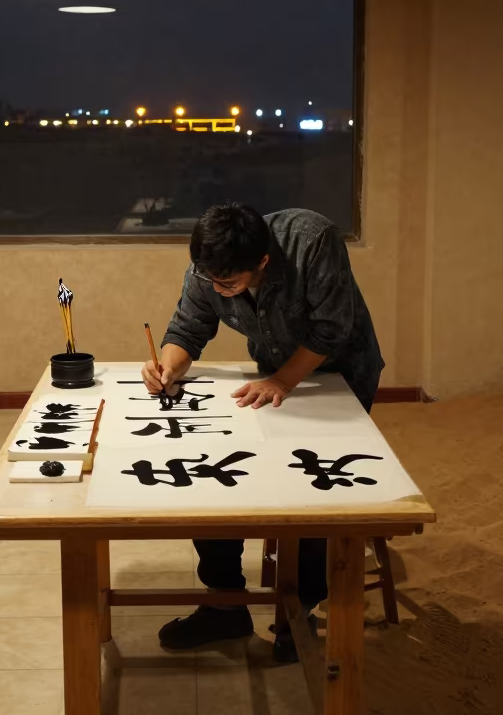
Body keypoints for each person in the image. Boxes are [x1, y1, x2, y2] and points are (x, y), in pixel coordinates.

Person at [141, 203, 383, 660]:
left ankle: (300, 610)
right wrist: (166, 367)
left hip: (340, 374)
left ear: (264, 262)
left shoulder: (311, 241)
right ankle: (225, 604)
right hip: (273, 374)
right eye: (211, 279)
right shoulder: (211, 265)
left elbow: (332, 329)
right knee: (216, 474)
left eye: (229, 284)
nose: (218, 288)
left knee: (309, 490)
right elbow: (188, 329)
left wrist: (283, 381)